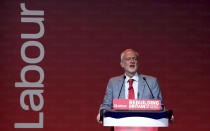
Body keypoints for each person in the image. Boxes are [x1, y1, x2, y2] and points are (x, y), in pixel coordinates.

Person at [96, 49, 164, 123]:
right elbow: (106, 105)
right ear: (122, 64)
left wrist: (166, 114)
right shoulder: (113, 82)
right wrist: (101, 113)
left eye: (134, 59)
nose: (132, 61)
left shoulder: (151, 82)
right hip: (119, 125)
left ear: (138, 63)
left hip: (145, 124)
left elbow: (159, 105)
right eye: (128, 59)